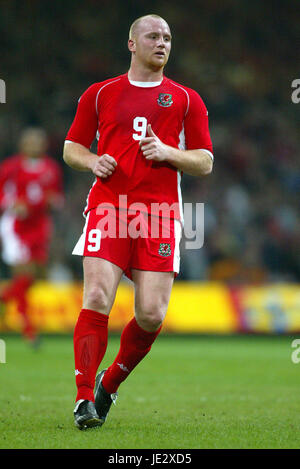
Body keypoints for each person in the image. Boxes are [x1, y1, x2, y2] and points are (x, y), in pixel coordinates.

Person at [63, 14, 214, 430]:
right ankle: (82, 400)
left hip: (160, 215)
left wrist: (169, 152)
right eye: (153, 36)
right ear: (132, 44)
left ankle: (107, 386)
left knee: (150, 314)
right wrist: (94, 160)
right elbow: (72, 147)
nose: (162, 43)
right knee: (96, 295)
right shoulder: (100, 93)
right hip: (109, 208)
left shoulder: (186, 99)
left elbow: (205, 160)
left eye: (167, 37)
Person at [0, 127, 64, 345]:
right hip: (16, 226)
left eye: (38, 141)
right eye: (30, 142)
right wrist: (10, 205)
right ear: (22, 145)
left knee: (35, 276)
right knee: (24, 274)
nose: (35, 145)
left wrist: (54, 202)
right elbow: (2, 195)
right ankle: (29, 331)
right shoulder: (10, 167)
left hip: (39, 226)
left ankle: (4, 299)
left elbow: (56, 195)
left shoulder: (51, 168)